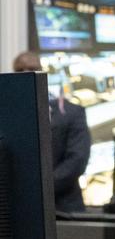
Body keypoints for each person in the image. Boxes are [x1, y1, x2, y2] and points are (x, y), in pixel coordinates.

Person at [13, 51, 91, 213]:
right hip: (16, 210)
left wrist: (37, 190)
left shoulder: (72, 113)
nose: (26, 74)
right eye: (20, 70)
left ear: (43, 73)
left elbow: (77, 161)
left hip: (63, 209)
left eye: (32, 68)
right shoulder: (7, 115)